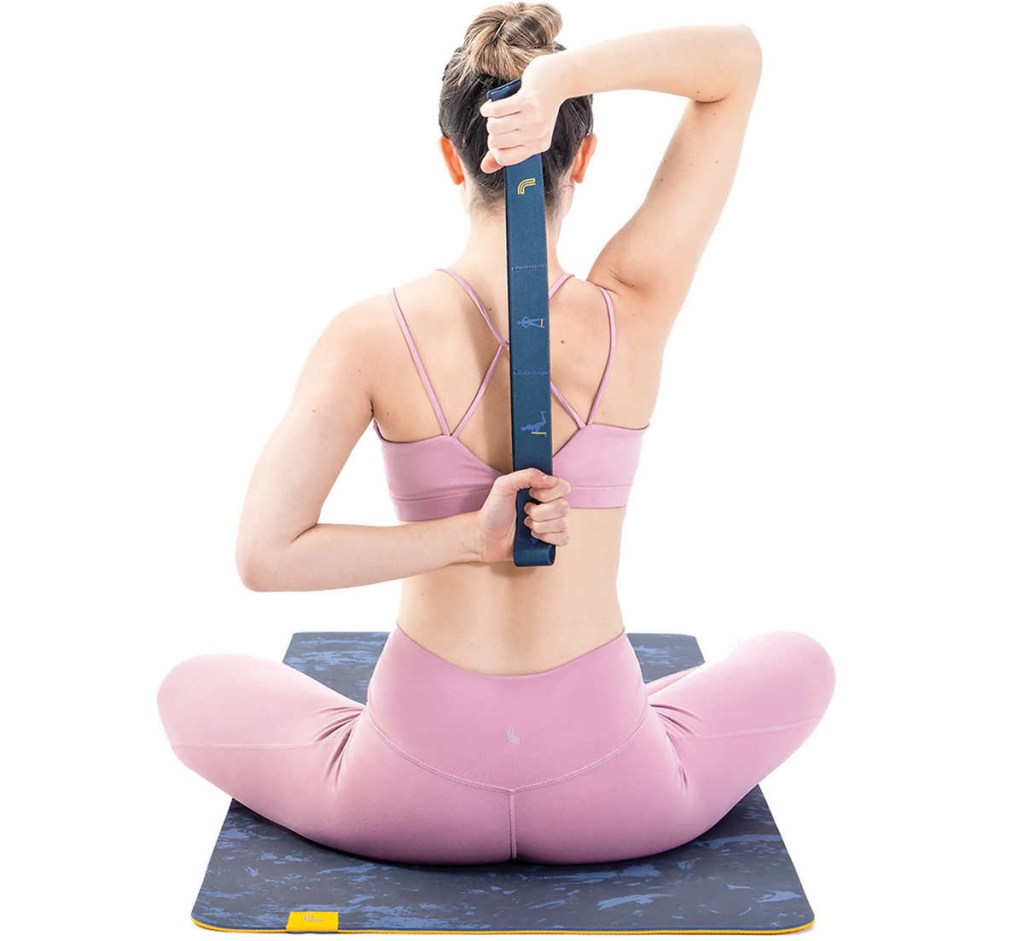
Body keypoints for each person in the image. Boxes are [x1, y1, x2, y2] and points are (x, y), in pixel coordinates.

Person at [157, 3, 835, 866]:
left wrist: (463, 540)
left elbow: (265, 555)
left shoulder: (369, 333)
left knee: (191, 686)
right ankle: (636, 708)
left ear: (452, 156)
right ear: (582, 155)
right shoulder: (635, 307)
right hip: (616, 793)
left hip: (407, 793)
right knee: (798, 659)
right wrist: (564, 79)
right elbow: (735, 61)